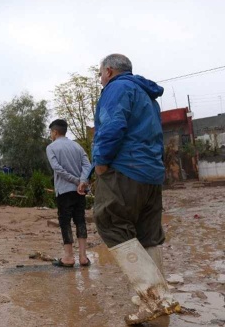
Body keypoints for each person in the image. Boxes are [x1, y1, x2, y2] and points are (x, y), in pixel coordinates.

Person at [93, 54, 180, 325]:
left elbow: (112, 126)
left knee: (109, 220)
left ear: (108, 71)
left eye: (100, 74)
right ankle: (155, 305)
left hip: (126, 169)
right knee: (148, 235)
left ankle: (155, 300)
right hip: (151, 175)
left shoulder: (116, 88)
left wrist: (101, 163)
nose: (100, 79)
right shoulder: (147, 95)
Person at [45, 119, 91, 268]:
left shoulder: (51, 147)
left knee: (65, 222)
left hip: (64, 190)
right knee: (80, 220)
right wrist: (82, 182)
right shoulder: (77, 146)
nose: (51, 135)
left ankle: (68, 257)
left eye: (51, 132)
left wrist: (75, 181)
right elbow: (87, 165)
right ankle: (83, 257)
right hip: (80, 191)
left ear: (55, 132)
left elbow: (57, 168)